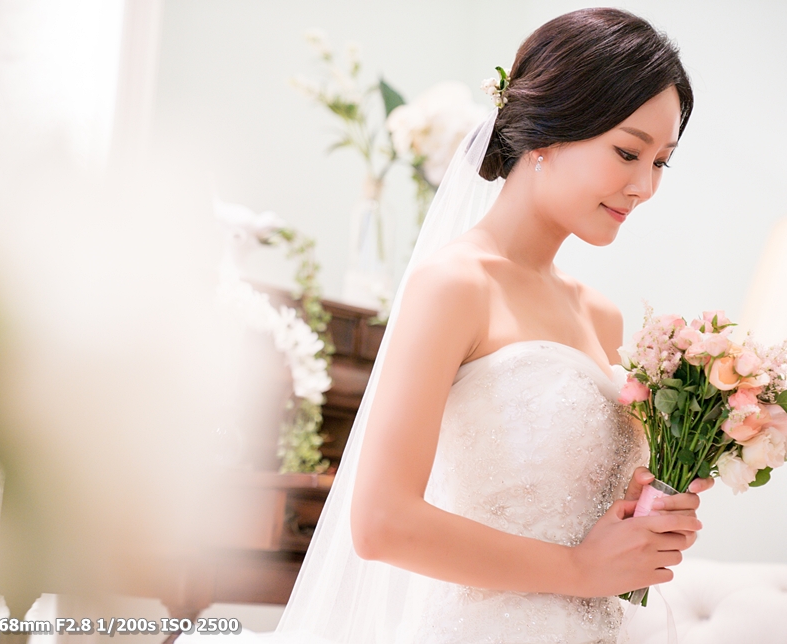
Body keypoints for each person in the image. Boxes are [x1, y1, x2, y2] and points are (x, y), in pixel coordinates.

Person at [196, 8, 713, 644]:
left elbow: (586, 516)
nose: (645, 186)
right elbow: (381, 523)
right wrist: (579, 569)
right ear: (549, 131)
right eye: (628, 152)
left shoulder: (603, 317)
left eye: (662, 162)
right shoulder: (455, 286)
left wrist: (652, 516)